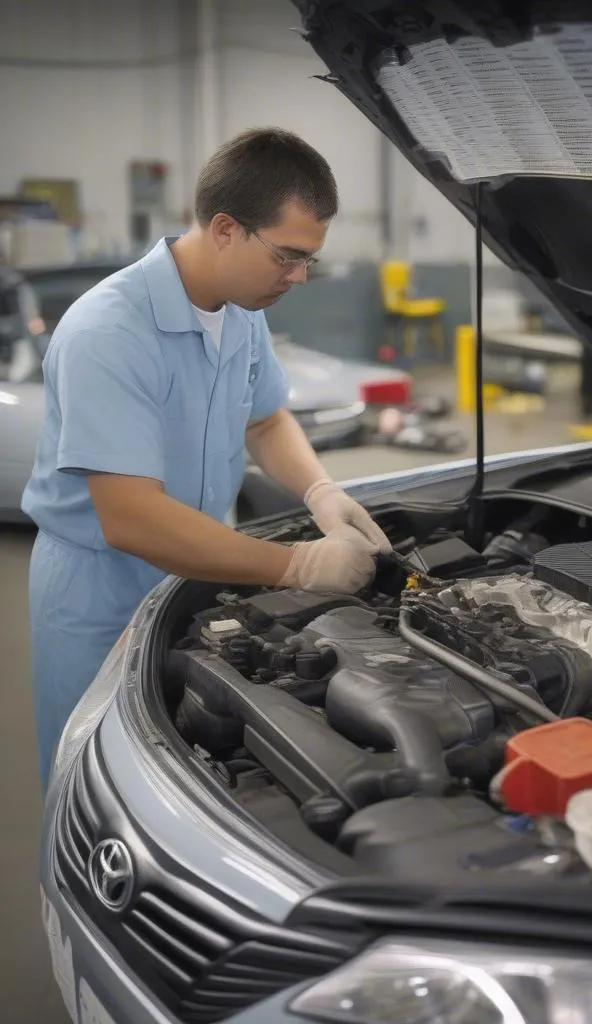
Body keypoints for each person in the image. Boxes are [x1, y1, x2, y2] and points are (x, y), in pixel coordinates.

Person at [21, 127, 390, 784]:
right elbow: (131, 518)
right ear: (225, 228)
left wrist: (322, 494)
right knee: (94, 779)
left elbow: (268, 419)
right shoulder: (108, 332)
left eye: (310, 260)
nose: (299, 276)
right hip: (100, 588)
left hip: (201, 566)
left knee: (186, 773)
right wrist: (300, 564)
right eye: (287, 255)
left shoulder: (242, 308)